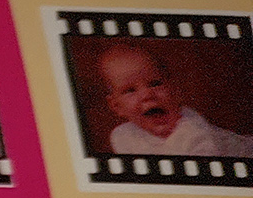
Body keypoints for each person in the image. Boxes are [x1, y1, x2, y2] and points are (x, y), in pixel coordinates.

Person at [99, 45, 253, 157]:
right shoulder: (122, 136)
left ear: (175, 90)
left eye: (155, 83)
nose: (147, 94)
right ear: (117, 106)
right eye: (130, 90)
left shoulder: (196, 134)